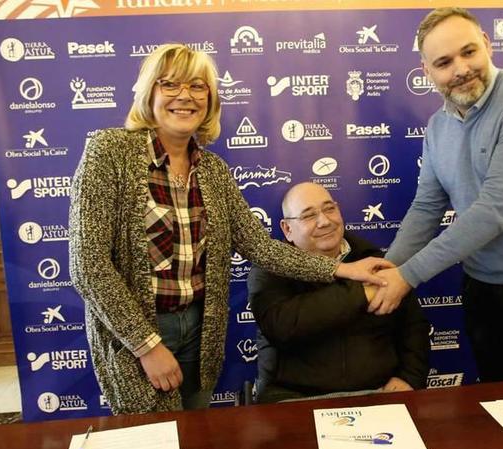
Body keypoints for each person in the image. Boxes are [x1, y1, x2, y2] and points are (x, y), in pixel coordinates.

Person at [68, 44, 389, 415]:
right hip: (135, 332)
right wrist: (146, 344)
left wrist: (343, 269)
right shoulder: (109, 152)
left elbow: (260, 247)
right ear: (149, 92)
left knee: (195, 439)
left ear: (211, 99)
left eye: (198, 86)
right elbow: (88, 265)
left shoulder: (214, 170)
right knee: (152, 447)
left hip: (201, 332)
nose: (185, 96)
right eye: (170, 84)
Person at [368, 8, 503, 383]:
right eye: (443, 62)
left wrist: (408, 276)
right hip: (483, 285)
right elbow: (426, 207)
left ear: (487, 45)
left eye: (468, 52)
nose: (460, 69)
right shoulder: (438, 127)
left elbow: (493, 210)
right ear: (428, 72)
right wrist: (389, 270)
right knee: (498, 398)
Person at [248, 182, 429, 403]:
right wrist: (361, 292)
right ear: (287, 229)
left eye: (329, 209)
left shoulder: (375, 259)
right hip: (295, 398)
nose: (324, 221)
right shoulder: (269, 269)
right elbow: (282, 326)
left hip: (378, 392)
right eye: (308, 215)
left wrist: (409, 377)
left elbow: (413, 326)